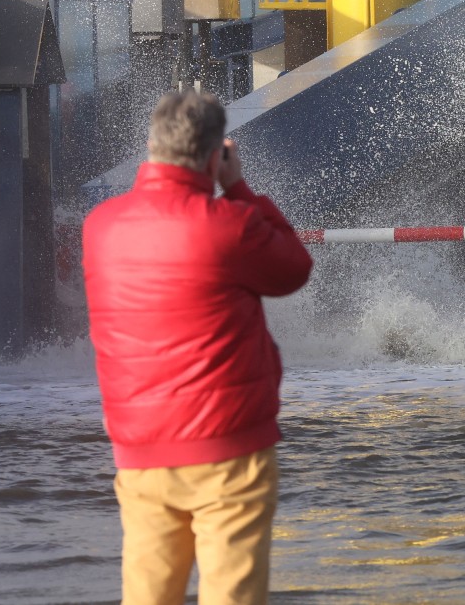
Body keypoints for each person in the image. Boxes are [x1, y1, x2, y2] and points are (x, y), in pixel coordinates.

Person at [83, 90, 313, 605]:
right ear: (214, 155)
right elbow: (294, 268)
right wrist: (237, 188)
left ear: (151, 146)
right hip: (228, 449)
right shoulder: (231, 226)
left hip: (140, 453)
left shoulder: (100, 227)